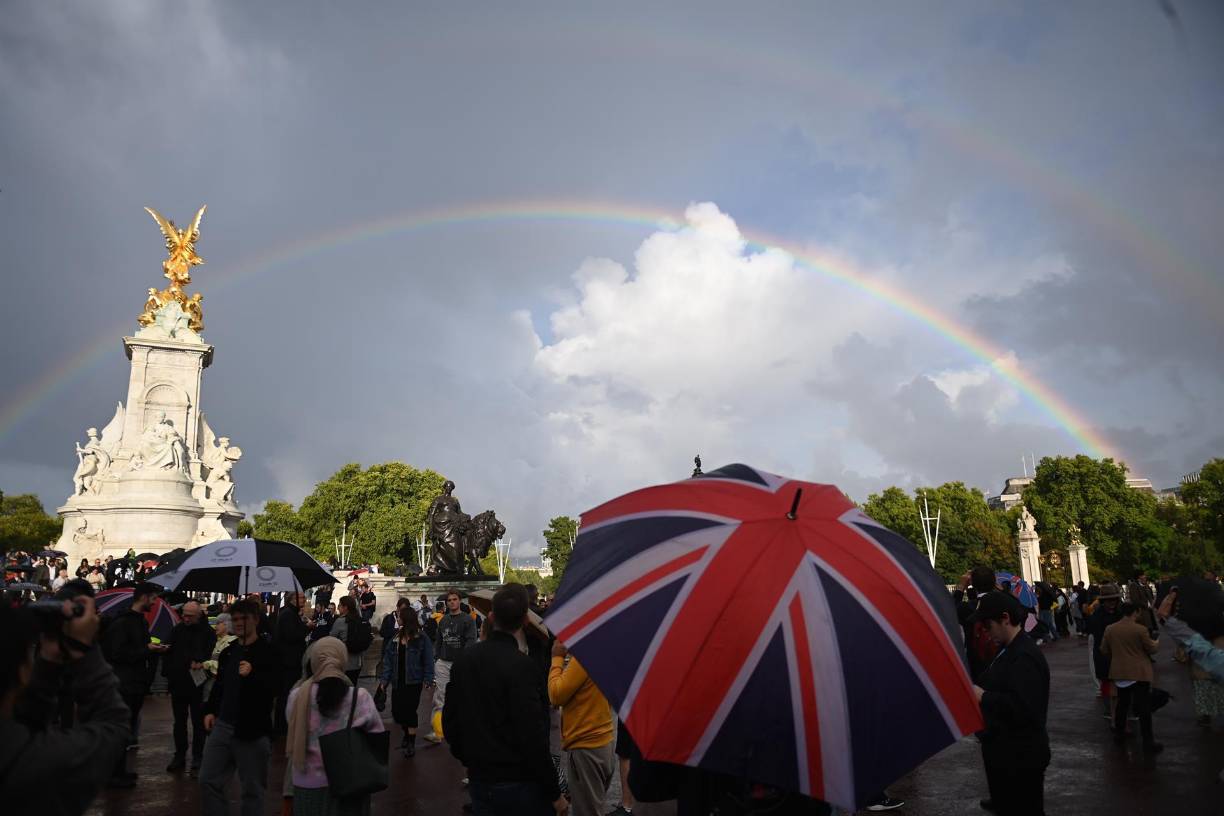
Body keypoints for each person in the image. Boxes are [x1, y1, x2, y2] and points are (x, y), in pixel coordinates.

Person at [0, 594, 132, 814]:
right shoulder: (42, 763)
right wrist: (82, 649)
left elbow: (26, 724)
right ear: (23, 671)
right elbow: (114, 727)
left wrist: (48, 662)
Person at [443, 584, 567, 815]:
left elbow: (450, 721)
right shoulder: (524, 667)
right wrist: (554, 792)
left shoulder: (464, 661)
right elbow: (533, 735)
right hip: (520, 780)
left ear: (490, 616)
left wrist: (469, 759)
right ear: (525, 621)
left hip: (480, 776)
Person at [970, 591, 1050, 816]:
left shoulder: (1023, 655)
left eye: (988, 625)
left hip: (1020, 756)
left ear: (1005, 618)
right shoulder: (1011, 649)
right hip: (1009, 753)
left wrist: (983, 696)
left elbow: (1024, 707)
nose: (986, 631)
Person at [286, 636, 386, 815]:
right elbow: (376, 734)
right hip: (351, 780)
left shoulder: (297, 696)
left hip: (307, 784)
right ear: (343, 660)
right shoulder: (359, 697)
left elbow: (290, 726)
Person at [199, 598, 279, 816]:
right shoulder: (230, 651)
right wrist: (210, 710)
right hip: (223, 725)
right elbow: (220, 686)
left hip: (252, 730)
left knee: (252, 790)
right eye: (235, 619)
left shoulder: (268, 651)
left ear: (256, 620)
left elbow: (274, 689)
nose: (239, 623)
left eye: (244, 618)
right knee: (208, 779)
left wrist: (253, 674)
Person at [100, 581, 166, 787]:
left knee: (127, 729)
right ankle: (112, 774)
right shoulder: (123, 623)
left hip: (135, 682)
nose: (155, 602)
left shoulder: (140, 621)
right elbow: (117, 654)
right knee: (119, 729)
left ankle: (120, 770)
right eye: (153, 598)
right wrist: (148, 650)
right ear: (144, 597)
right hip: (123, 682)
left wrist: (151, 650)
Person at [548, 640, 615, 816]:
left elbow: (556, 694)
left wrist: (556, 658)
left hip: (586, 745)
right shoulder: (603, 650)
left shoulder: (585, 656)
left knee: (588, 811)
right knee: (594, 806)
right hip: (602, 741)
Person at [163, 600, 216, 775]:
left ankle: (197, 757)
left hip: (197, 682)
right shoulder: (177, 629)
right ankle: (180, 755)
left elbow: (210, 653)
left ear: (199, 616)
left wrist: (199, 660)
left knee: (198, 722)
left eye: (190, 616)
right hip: (179, 680)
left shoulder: (207, 632)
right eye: (184, 614)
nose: (185, 618)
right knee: (179, 721)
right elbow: (170, 649)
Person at [1101, 602, 1162, 753]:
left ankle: (1119, 735)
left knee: (1122, 705)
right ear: (1136, 612)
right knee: (1143, 708)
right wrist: (1156, 641)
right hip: (1139, 671)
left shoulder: (1110, 628)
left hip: (1120, 671)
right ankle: (1148, 742)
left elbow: (1104, 649)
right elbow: (1151, 649)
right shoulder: (1140, 629)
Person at [378, 605, 435, 757]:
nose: (397, 618)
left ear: (406, 618)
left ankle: (410, 741)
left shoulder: (421, 637)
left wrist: (428, 678)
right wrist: (384, 681)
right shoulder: (396, 638)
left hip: (414, 681)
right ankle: (406, 733)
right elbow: (388, 661)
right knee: (398, 712)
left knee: (410, 711)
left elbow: (428, 659)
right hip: (398, 680)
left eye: (399, 616)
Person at [426, 589, 479, 743]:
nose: (452, 602)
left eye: (454, 599)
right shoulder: (442, 620)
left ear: (460, 601)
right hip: (444, 662)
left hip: (461, 663)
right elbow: (439, 640)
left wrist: (465, 660)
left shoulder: (468, 620)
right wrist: (437, 657)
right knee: (440, 697)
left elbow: (471, 641)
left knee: (464, 696)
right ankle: (437, 731)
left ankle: (466, 730)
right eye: (449, 600)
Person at [273, 592, 309, 735]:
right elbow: (291, 635)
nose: (305, 600)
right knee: (286, 695)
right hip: (288, 662)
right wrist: (307, 628)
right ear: (293, 600)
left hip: (291, 661)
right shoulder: (288, 614)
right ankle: (282, 729)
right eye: (302, 598)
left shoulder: (291, 614)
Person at [1087, 583, 1124, 719]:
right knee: (1107, 682)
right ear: (1103, 601)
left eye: (1114, 600)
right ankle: (1110, 710)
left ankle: (1120, 710)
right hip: (1104, 653)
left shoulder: (1121, 613)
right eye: (1109, 600)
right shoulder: (1097, 616)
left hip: (1120, 653)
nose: (1112, 603)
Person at [330, 595, 368, 684]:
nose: (338, 608)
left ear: (345, 607)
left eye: (339, 606)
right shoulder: (359, 620)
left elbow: (331, 640)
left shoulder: (340, 621)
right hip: (358, 662)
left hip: (343, 663)